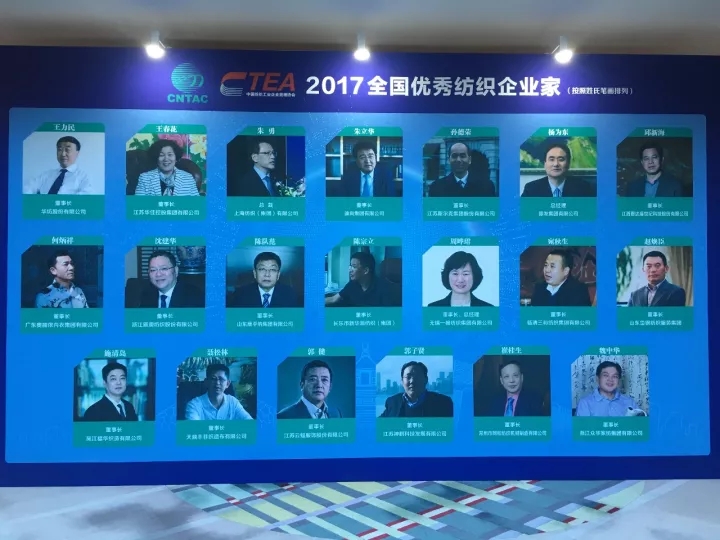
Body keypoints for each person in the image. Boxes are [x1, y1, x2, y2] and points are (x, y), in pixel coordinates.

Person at [379, 361, 453, 418]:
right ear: (402, 381)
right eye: (408, 377)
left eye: (417, 376)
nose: (412, 381)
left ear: (426, 380)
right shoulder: (392, 402)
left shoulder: (443, 403)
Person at [24, 136, 95, 195]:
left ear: (77, 153)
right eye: (60, 149)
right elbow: (28, 188)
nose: (63, 154)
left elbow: (86, 198)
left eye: (67, 150)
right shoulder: (46, 175)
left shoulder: (83, 177)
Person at [325, 251, 399, 307]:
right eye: (350, 266)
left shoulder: (384, 288)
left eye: (354, 266)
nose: (350, 270)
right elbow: (333, 299)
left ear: (366, 271)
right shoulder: (352, 284)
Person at [228, 251, 301, 307]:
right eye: (262, 269)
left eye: (272, 269)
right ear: (255, 273)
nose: (267, 274)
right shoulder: (240, 295)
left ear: (278, 275)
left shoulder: (290, 295)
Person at [521, 143, 596, 197]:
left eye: (561, 159)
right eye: (551, 159)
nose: (556, 164)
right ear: (545, 164)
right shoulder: (531, 189)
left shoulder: (583, 188)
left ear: (568, 163)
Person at [136, 250, 204, 308]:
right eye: (153, 270)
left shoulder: (193, 295)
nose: (158, 274)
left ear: (176, 271)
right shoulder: (146, 296)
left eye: (164, 268)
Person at [477, 360, 545, 417]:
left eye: (515, 375)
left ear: (522, 377)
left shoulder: (535, 401)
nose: (511, 380)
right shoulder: (494, 401)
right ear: (501, 381)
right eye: (506, 377)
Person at [277, 360, 343, 419]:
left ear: (330, 387)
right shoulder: (284, 417)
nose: (319, 385)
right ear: (302, 385)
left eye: (324, 380)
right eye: (312, 379)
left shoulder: (336, 414)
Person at [184, 364, 253, 420]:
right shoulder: (194, 405)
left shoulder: (233, 402)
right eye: (213, 379)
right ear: (206, 382)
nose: (217, 383)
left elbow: (250, 425)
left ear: (227, 384)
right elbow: (194, 429)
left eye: (221, 379)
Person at [427, 251, 493, 307]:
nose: (460, 280)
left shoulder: (488, 309)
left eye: (465, 274)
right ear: (447, 276)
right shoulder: (433, 308)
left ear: (474, 276)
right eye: (455, 274)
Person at [134, 139, 199, 196]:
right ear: (156, 158)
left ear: (176, 157)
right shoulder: (144, 178)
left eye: (170, 155)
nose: (166, 159)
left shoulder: (188, 178)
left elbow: (196, 204)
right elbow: (138, 203)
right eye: (161, 155)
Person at [428, 142, 495, 197]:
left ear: (469, 160)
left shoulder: (487, 186)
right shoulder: (436, 187)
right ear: (449, 160)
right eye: (454, 156)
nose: (458, 160)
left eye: (462, 156)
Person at [575, 361, 640, 417]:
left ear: (619, 380)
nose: (610, 380)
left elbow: (639, 425)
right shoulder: (585, 403)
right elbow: (583, 427)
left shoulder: (629, 402)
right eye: (606, 375)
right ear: (597, 378)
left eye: (615, 376)